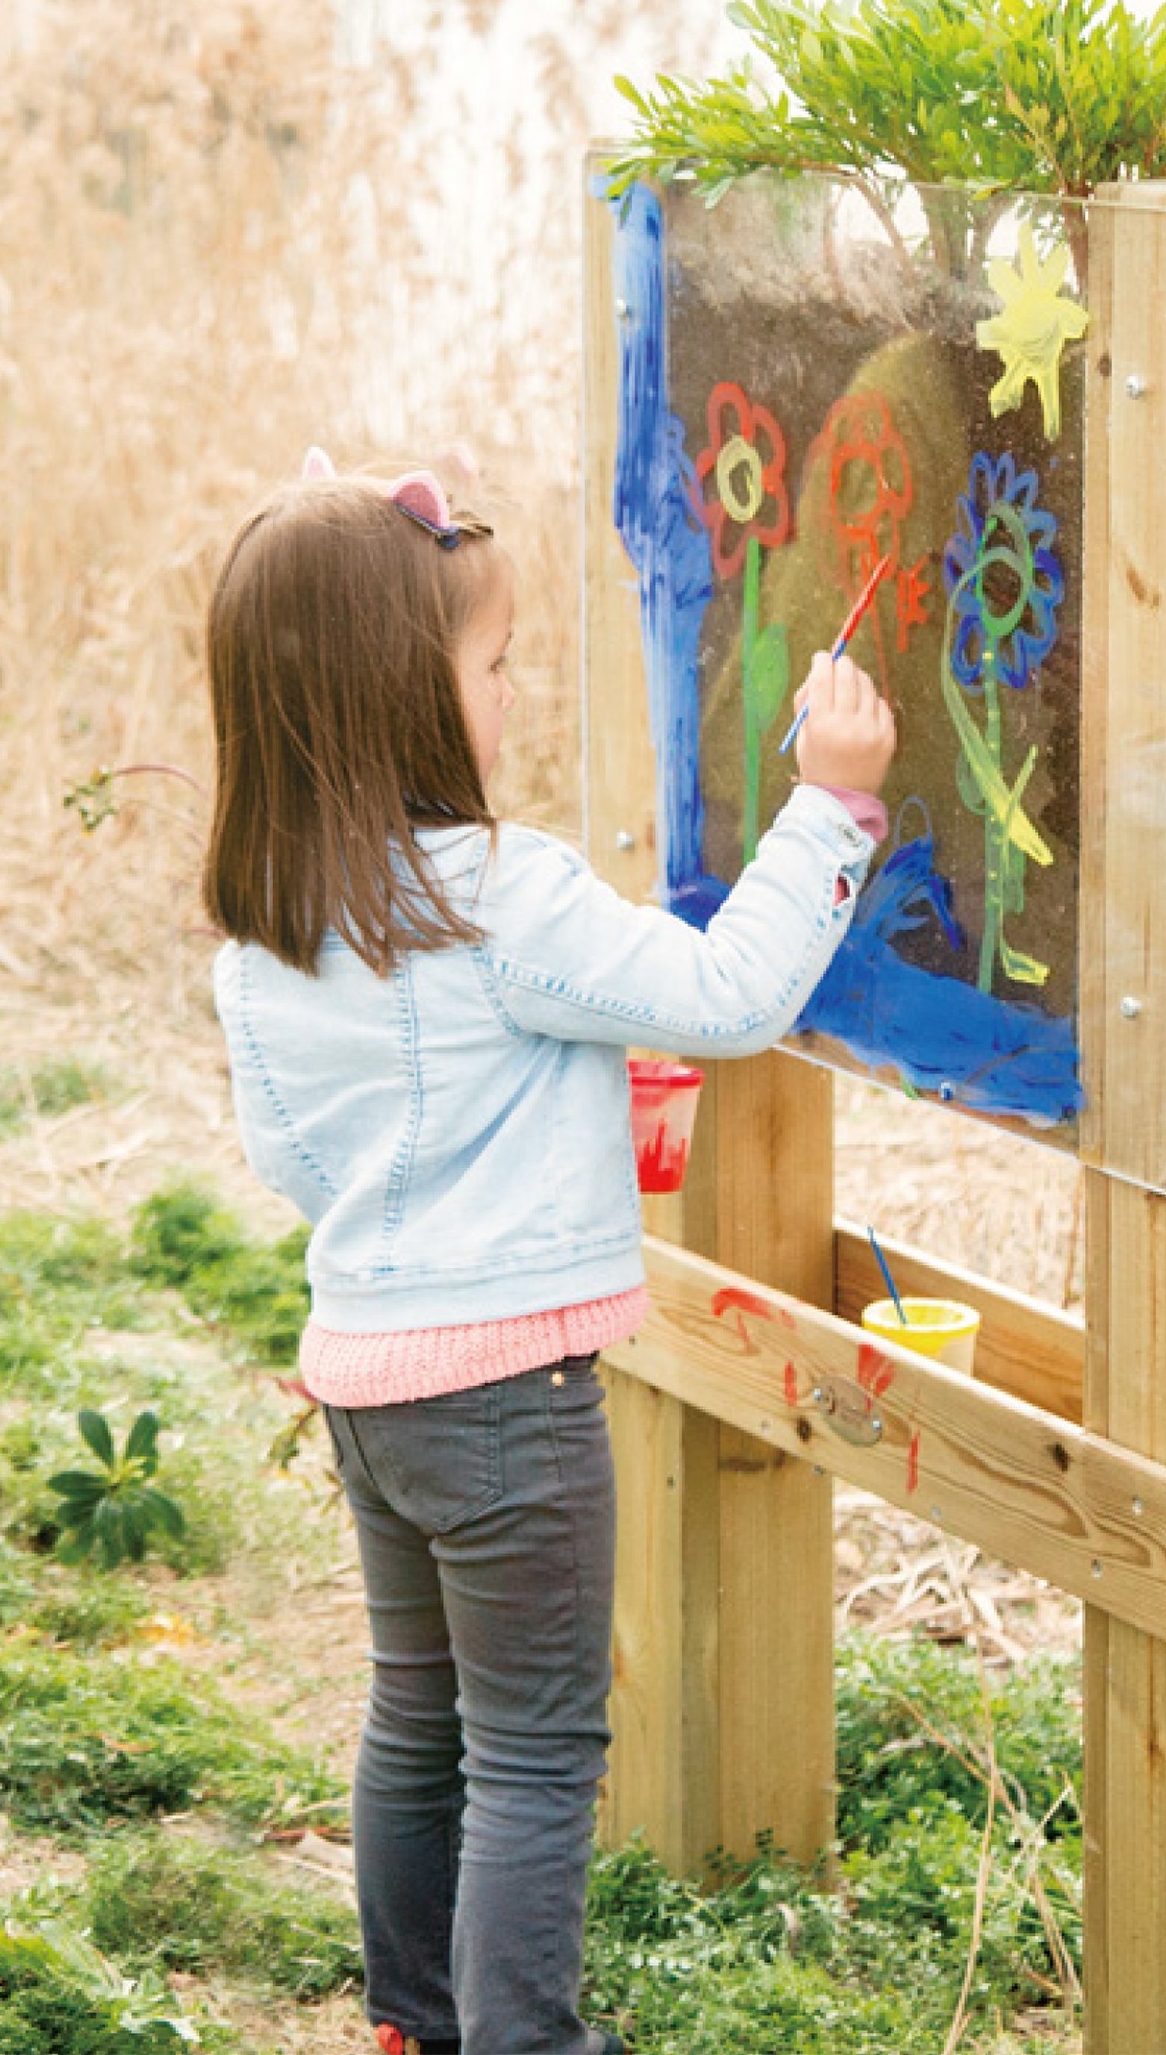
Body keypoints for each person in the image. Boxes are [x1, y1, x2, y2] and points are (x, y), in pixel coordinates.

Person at [201, 457, 897, 2055]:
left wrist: (472, 1148)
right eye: (493, 665)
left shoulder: (267, 930)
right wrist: (832, 805)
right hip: (512, 1405)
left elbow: (294, 1159)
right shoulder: (499, 897)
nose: (510, 693)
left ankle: (416, 2022)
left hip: (368, 1387)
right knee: (532, 1753)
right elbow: (729, 997)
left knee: (419, 1717)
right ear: (398, 700)